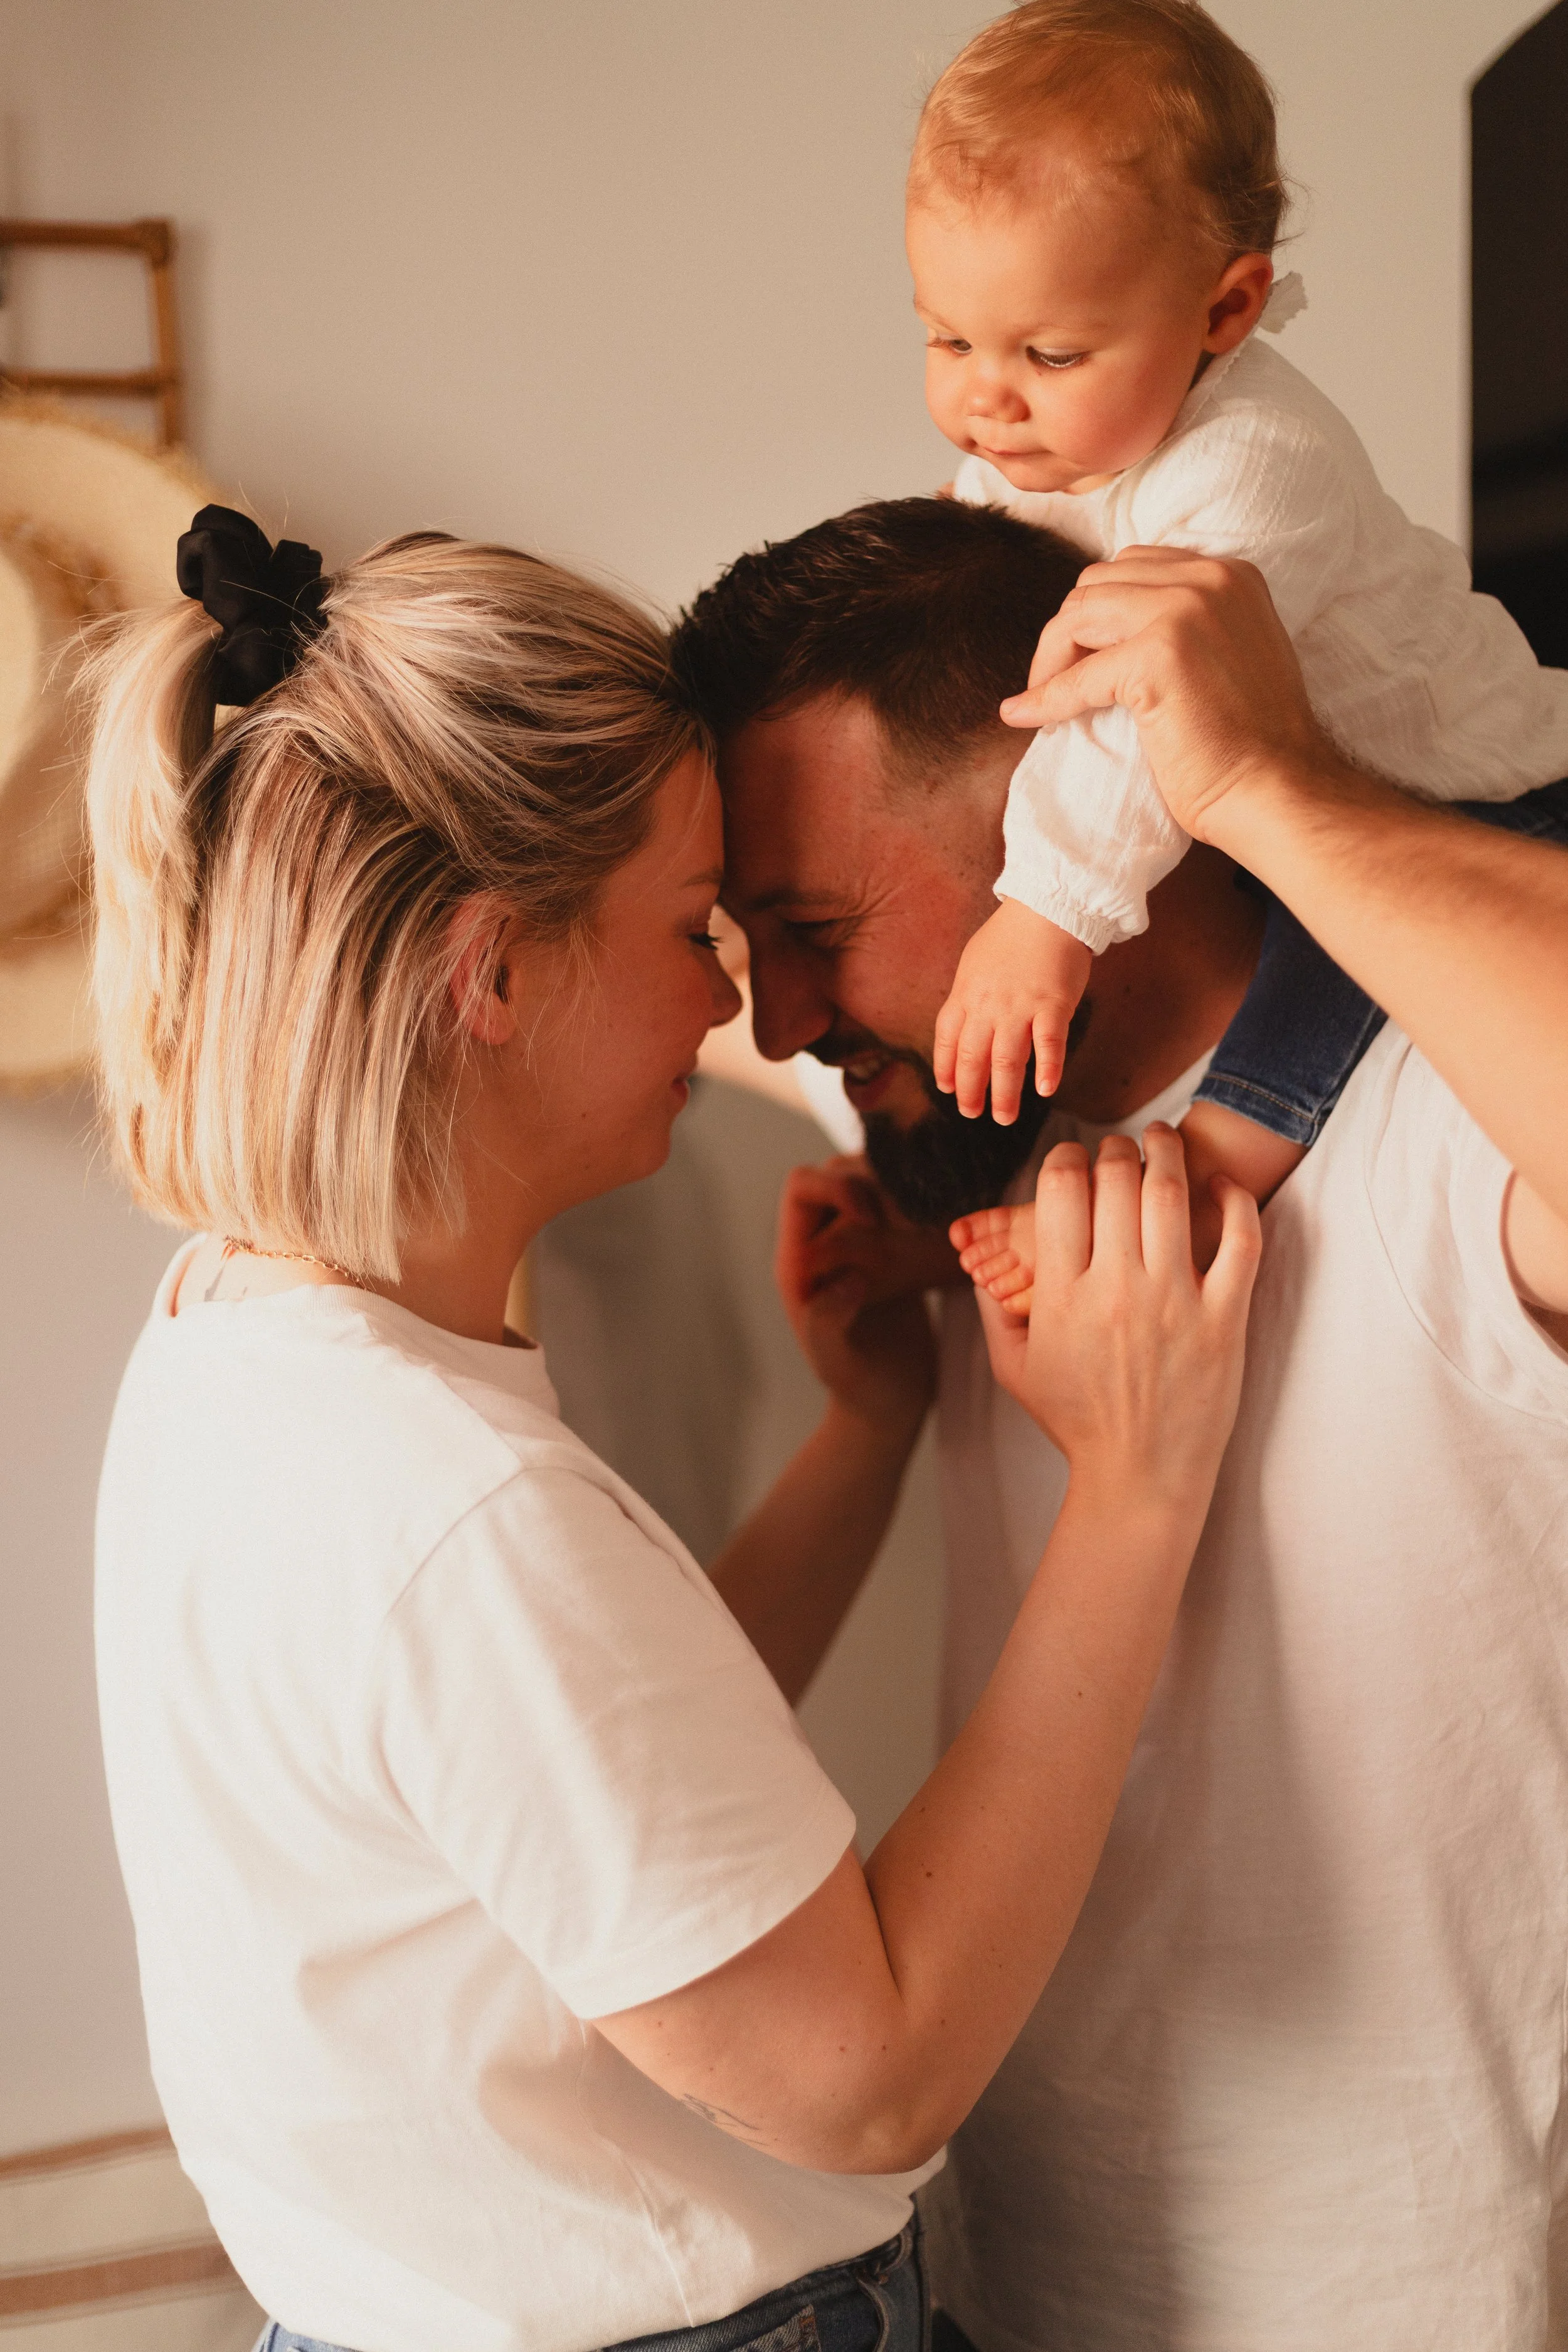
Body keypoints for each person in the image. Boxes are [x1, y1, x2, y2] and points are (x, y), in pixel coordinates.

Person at [88, 506, 1259, 2352]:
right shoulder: (445, 1503)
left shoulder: (240, 1343)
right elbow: (866, 2080)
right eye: (686, 926)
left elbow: (600, 1794)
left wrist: (861, 1435)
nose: (740, 1005)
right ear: (491, 974)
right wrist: (1133, 1485)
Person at [670, 494, 1568, 2349]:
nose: (777, 1020)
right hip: (1011, 2264)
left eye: (813, 927)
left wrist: (1256, 778)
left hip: (1389, 2291)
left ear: (1061, 840)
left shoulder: (1437, 1118)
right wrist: (884, 1399)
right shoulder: (998, 1154)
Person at [907, 0, 1568, 1269]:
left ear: (1222, 312)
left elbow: (1132, 713)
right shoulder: (1041, 434)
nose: (982, 396)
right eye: (945, 336)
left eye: (1045, 351)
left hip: (1492, 800)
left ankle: (1218, 1167)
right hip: (1311, 789)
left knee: (1334, 946)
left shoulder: (1256, 463)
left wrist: (1044, 913)